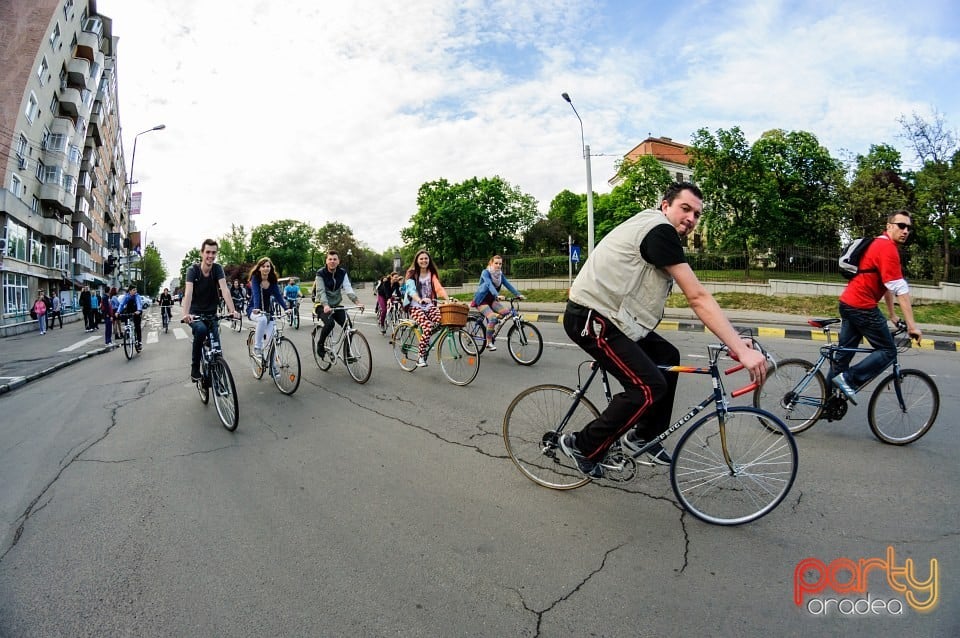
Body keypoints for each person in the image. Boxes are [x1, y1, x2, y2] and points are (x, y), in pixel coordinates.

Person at [559, 182, 768, 478]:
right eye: (685, 209)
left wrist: (735, 340)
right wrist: (740, 348)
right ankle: (582, 444)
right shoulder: (659, 231)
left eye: (697, 214)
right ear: (665, 205)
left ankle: (643, 435)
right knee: (647, 387)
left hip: (617, 318)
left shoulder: (657, 230)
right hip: (593, 319)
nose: (691, 219)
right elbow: (697, 297)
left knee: (668, 357)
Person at [829, 210, 922, 404]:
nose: (905, 231)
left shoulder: (878, 244)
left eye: (908, 227)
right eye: (901, 226)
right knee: (888, 351)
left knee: (843, 356)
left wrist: (892, 315)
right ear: (889, 226)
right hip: (861, 306)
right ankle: (848, 380)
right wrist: (912, 327)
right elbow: (900, 290)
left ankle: (829, 402)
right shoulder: (887, 248)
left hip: (848, 303)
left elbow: (887, 285)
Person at [181, 239, 240, 381]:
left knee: (217, 351)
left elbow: (225, 289)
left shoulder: (217, 269)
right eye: (208, 252)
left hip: (212, 313)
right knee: (201, 331)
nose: (211, 256)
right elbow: (188, 293)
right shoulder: (192, 271)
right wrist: (185, 314)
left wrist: (233, 310)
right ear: (202, 253)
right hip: (195, 314)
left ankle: (219, 380)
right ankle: (195, 369)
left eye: (214, 253)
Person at [401, 249, 450, 367]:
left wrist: (447, 299)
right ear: (417, 261)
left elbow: (438, 288)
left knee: (441, 320)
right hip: (415, 306)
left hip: (429, 305)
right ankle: (420, 357)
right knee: (427, 326)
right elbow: (411, 291)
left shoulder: (431, 273)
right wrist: (419, 300)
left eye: (426, 258)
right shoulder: (412, 273)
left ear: (429, 260)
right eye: (421, 259)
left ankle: (425, 338)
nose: (424, 261)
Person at [313, 250, 363, 359]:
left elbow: (348, 288)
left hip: (336, 305)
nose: (332, 261)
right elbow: (320, 291)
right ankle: (320, 344)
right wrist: (325, 305)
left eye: (335, 259)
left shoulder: (342, 273)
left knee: (348, 326)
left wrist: (357, 302)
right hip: (321, 305)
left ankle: (347, 353)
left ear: (338, 261)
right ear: (326, 261)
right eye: (330, 259)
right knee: (330, 324)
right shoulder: (320, 273)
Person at [471, 255, 523, 350]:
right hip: (481, 301)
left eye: (500, 263)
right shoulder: (485, 272)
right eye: (496, 263)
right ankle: (488, 342)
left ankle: (492, 324)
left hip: (491, 300)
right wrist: (496, 295)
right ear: (491, 263)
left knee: (507, 313)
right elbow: (488, 284)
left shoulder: (500, 275)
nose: (498, 265)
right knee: (493, 318)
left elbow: (508, 284)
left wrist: (518, 294)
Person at [247, 258, 288, 357]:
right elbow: (256, 294)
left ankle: (273, 368)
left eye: (268, 266)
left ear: (271, 268)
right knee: (262, 319)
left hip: (268, 312)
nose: (266, 268)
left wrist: (286, 309)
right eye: (263, 266)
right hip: (254, 309)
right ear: (259, 268)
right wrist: (256, 308)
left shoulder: (272, 280)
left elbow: (278, 296)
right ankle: (257, 347)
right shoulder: (255, 278)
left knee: (271, 343)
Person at [116, 285, 144, 351]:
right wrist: (118, 312)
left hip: (137, 310)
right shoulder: (126, 296)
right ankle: (127, 333)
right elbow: (122, 304)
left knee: (137, 326)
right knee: (126, 320)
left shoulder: (137, 296)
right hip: (129, 311)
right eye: (134, 290)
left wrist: (139, 310)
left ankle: (139, 342)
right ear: (130, 291)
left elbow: (138, 303)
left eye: (136, 290)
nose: (135, 291)